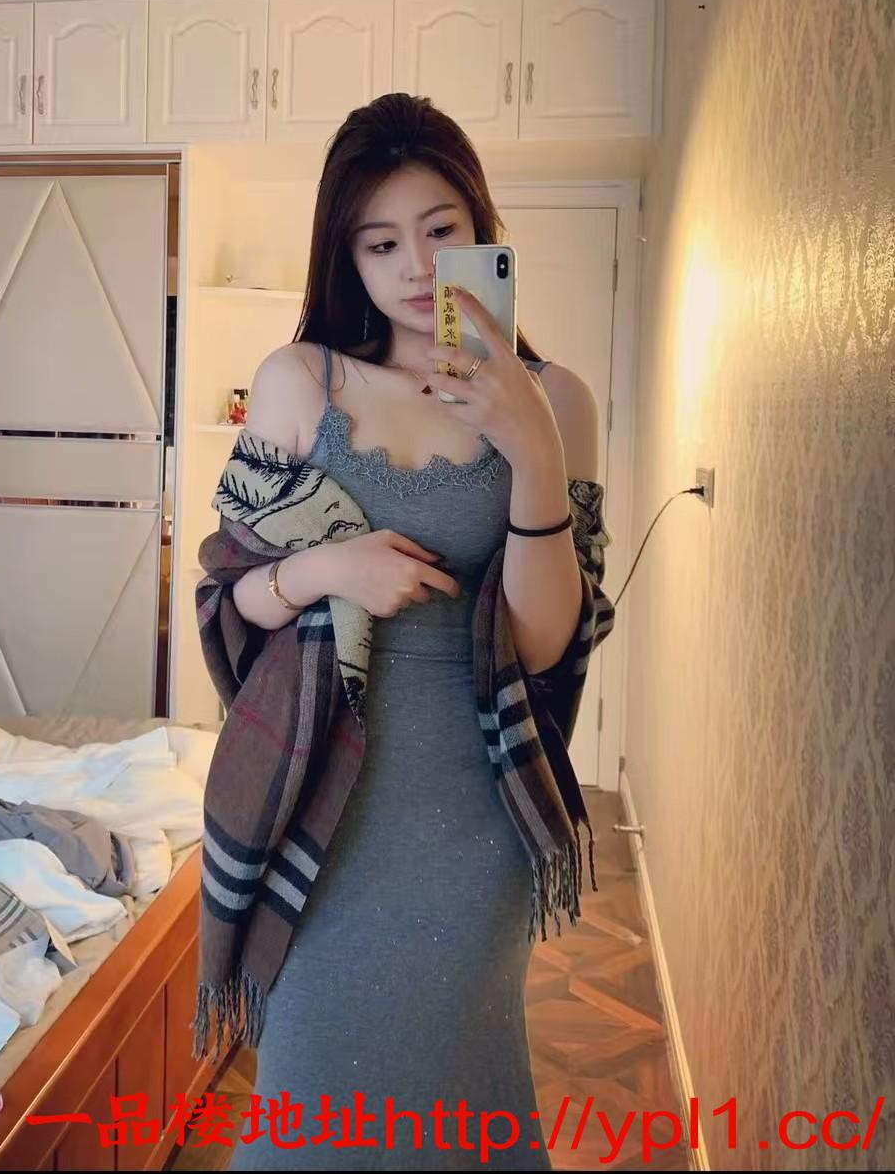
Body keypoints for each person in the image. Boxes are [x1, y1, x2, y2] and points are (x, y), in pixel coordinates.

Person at [222, 92, 603, 1171]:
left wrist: (532, 447)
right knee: (308, 1109)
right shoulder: (301, 382)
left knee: (461, 1102)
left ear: (481, 225)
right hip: (320, 808)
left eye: (440, 229)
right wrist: (327, 567)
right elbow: (232, 600)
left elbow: (545, 646)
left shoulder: (556, 399)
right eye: (380, 241)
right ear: (346, 255)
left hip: (476, 813)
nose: (417, 265)